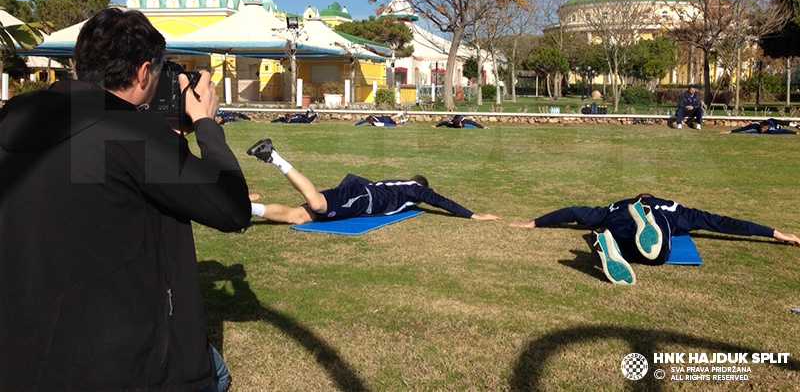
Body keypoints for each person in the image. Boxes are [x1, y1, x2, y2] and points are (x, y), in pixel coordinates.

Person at [0, 8, 251, 391]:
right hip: (118, 365)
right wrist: (204, 123)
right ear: (143, 71)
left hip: (24, 349)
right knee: (214, 371)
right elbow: (232, 207)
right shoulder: (129, 132)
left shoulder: (15, 117)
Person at [509, 194, 799, 285]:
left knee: (622, 238)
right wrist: (774, 232)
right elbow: (723, 223)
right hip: (659, 220)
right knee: (658, 256)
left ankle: (612, 243)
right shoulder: (676, 208)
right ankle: (645, 231)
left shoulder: (613, 206)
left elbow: (572, 212)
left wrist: (533, 222)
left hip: (615, 221)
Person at [245, 138, 500, 224]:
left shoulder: (406, 194)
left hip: (358, 198)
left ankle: (247, 208)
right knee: (317, 203)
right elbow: (440, 200)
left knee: (296, 217)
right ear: (421, 186)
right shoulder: (413, 188)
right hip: (361, 198)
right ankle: (274, 156)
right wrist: (473, 215)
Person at [720, 118, 799, 135]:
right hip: (768, 121)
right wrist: (730, 131)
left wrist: (795, 133)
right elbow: (743, 128)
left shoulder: (770, 130)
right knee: (779, 127)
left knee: (782, 123)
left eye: (764, 128)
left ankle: (796, 125)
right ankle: (779, 126)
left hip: (773, 122)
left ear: (767, 127)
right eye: (762, 128)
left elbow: (784, 131)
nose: (762, 129)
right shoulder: (756, 125)